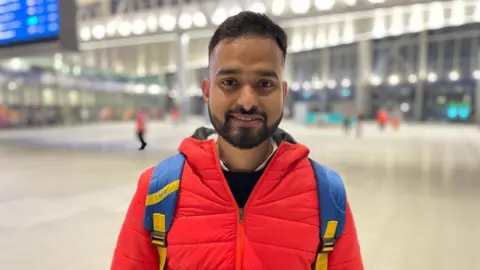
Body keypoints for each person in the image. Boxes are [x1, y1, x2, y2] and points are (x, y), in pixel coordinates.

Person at [112, 12, 363, 270]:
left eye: (264, 84)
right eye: (229, 82)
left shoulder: (327, 196)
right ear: (207, 91)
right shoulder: (158, 191)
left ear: (283, 93)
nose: (246, 102)